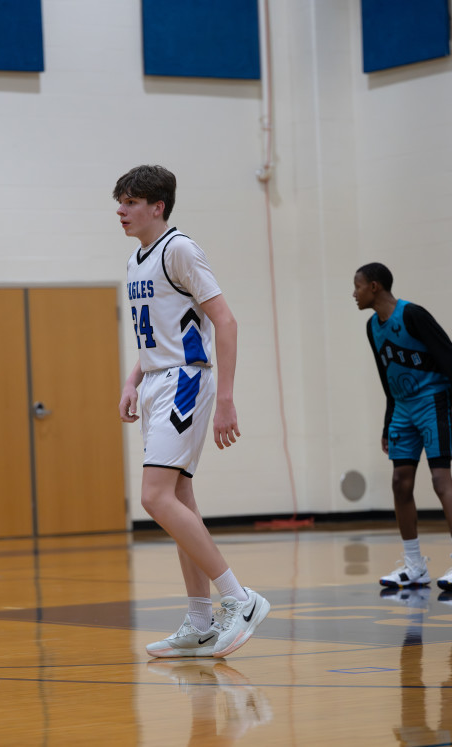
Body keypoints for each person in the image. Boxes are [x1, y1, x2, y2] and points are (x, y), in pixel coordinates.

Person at [114, 165, 270, 659]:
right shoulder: (136, 260)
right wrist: (132, 380)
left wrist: (226, 399)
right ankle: (200, 622)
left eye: (131, 202)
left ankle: (239, 599)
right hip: (157, 381)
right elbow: (157, 334)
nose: (120, 211)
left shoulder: (179, 249)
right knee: (179, 500)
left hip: (185, 381)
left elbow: (226, 321)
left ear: (157, 206)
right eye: (120, 202)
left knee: (154, 497)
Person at [353, 262, 452, 590]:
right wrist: (387, 423)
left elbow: (451, 358)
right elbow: (387, 378)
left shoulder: (413, 315)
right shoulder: (372, 327)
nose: (354, 293)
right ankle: (414, 566)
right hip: (402, 408)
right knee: (400, 483)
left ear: (374, 287)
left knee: (440, 479)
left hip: (432, 400)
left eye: (357, 286)